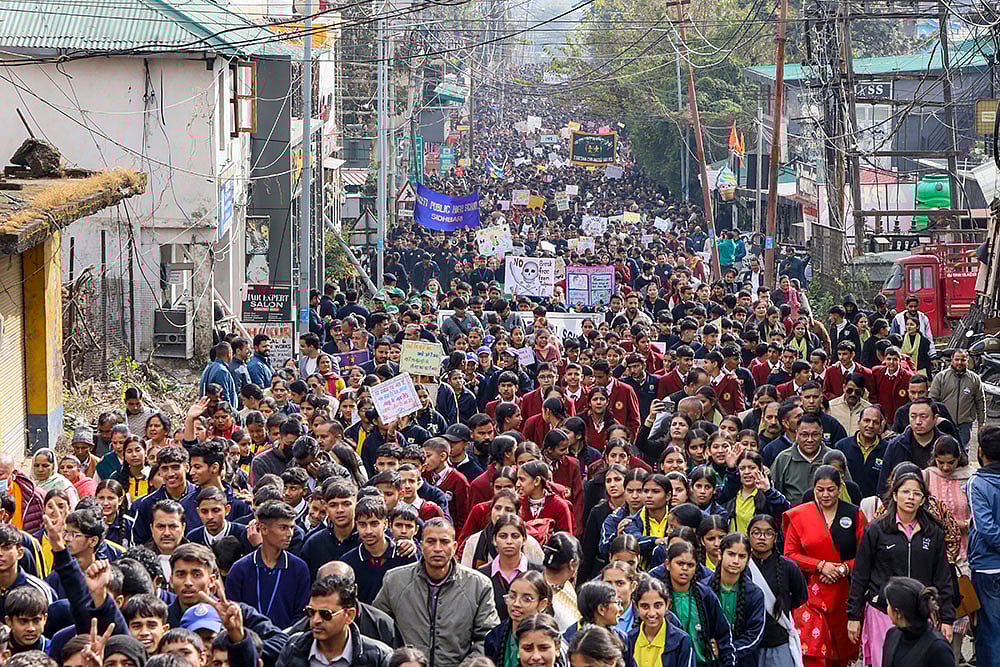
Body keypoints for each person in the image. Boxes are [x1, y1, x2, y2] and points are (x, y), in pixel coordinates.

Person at [847, 470, 954, 667]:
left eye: (916, 493)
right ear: (895, 495)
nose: (910, 497)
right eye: (905, 492)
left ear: (923, 499)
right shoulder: (876, 529)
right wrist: (854, 615)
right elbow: (860, 574)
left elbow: (942, 577)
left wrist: (947, 618)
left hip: (921, 614)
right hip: (883, 610)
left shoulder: (933, 532)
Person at [373, 517, 500, 667]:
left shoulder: (478, 585)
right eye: (431, 541)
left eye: (444, 542)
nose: (438, 548)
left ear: (454, 546)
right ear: (421, 545)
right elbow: (377, 628)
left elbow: (488, 637)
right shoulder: (395, 580)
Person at [783, 465, 867, 667]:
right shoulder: (801, 515)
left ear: (840, 488)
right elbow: (790, 554)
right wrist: (820, 565)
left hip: (844, 594)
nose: (825, 495)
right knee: (812, 652)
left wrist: (843, 568)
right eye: (820, 490)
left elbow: (865, 556)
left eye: (831, 489)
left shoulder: (855, 514)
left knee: (841, 653)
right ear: (813, 489)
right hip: (809, 594)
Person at [224, 500, 310, 629]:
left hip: (287, 639)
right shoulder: (240, 569)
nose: (290, 534)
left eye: (292, 527)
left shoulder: (299, 568)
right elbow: (233, 611)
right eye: (283, 528)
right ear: (263, 529)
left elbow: (301, 614)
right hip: (249, 638)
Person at [275, 574, 392, 667]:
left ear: (349, 615)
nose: (316, 620)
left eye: (325, 614)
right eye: (311, 612)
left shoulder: (379, 656)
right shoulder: (293, 647)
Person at [660, 541, 735, 667]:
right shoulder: (659, 596)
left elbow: (723, 635)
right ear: (667, 564)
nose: (685, 568)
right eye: (680, 563)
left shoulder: (705, 595)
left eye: (690, 565)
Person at [747, 514, 808, 667]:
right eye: (756, 532)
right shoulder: (742, 565)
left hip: (779, 641)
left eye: (768, 533)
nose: (762, 537)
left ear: (775, 538)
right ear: (748, 535)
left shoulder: (788, 567)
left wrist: (783, 606)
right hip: (749, 643)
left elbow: (801, 597)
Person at [968, 424, 1000, 666]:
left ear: (980, 452)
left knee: (989, 630)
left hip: (987, 567)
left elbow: (985, 528)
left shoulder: (977, 483)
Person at [880, 577, 955, 667]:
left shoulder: (938, 648)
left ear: (898, 613)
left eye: (888, 605)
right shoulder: (892, 635)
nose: (887, 609)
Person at [484, 570, 552, 667]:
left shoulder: (550, 638)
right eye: (512, 596)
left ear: (542, 604)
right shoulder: (495, 637)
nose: (516, 604)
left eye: (527, 599)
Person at [626, 575, 696, 667]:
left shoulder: (681, 641)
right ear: (636, 606)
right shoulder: (629, 639)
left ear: (667, 605)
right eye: (645, 606)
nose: (651, 613)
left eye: (657, 606)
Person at [929, 349, 985, 450]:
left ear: (967, 360)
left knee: (963, 451)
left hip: (965, 425)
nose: (959, 362)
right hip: (945, 424)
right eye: (957, 359)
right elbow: (932, 401)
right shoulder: (941, 377)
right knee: (944, 451)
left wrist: (981, 423)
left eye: (963, 360)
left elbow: (980, 402)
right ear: (952, 360)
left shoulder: (974, 379)